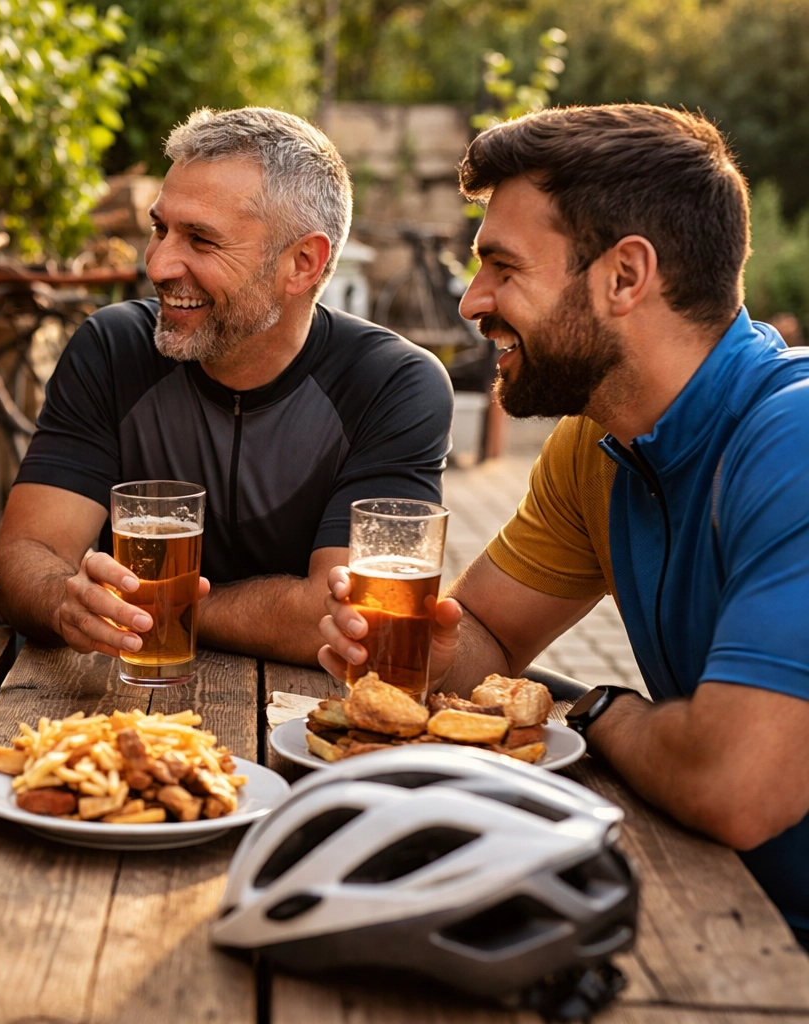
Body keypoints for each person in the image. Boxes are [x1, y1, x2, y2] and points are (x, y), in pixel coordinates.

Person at [316, 104, 809, 942]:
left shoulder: (792, 442)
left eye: (503, 267)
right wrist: (432, 654)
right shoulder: (599, 443)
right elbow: (484, 636)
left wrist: (595, 710)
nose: (474, 302)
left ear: (625, 276)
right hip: (717, 900)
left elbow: (736, 784)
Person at [0, 107, 453, 665]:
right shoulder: (113, 348)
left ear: (303, 263)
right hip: (123, 705)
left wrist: (155, 605)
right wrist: (67, 604)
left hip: (302, 728)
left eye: (201, 240)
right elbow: (22, 558)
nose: (159, 264)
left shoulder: (395, 385)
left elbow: (346, 622)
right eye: (160, 228)